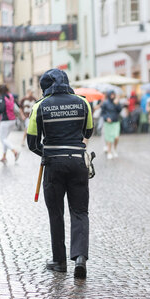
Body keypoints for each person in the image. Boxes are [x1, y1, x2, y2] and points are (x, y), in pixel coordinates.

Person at [27, 68, 93, 279]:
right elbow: (88, 132)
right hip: (77, 162)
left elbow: (32, 142)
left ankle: (59, 261)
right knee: (80, 211)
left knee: (56, 213)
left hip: (53, 164)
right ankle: (80, 258)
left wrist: (46, 153)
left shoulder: (40, 106)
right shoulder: (83, 103)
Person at [0, 84, 24, 163]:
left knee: (3, 139)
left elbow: (2, 108)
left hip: (5, 121)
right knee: (5, 139)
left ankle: (15, 151)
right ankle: (4, 157)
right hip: (12, 120)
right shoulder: (10, 96)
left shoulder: (2, 97)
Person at [100, 90, 122, 159]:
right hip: (108, 123)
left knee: (116, 137)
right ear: (109, 95)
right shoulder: (105, 103)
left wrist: (117, 104)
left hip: (116, 122)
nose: (112, 96)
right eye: (111, 95)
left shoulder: (116, 102)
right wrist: (107, 118)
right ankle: (109, 152)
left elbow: (119, 110)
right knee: (109, 138)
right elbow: (102, 113)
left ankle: (114, 149)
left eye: (113, 94)